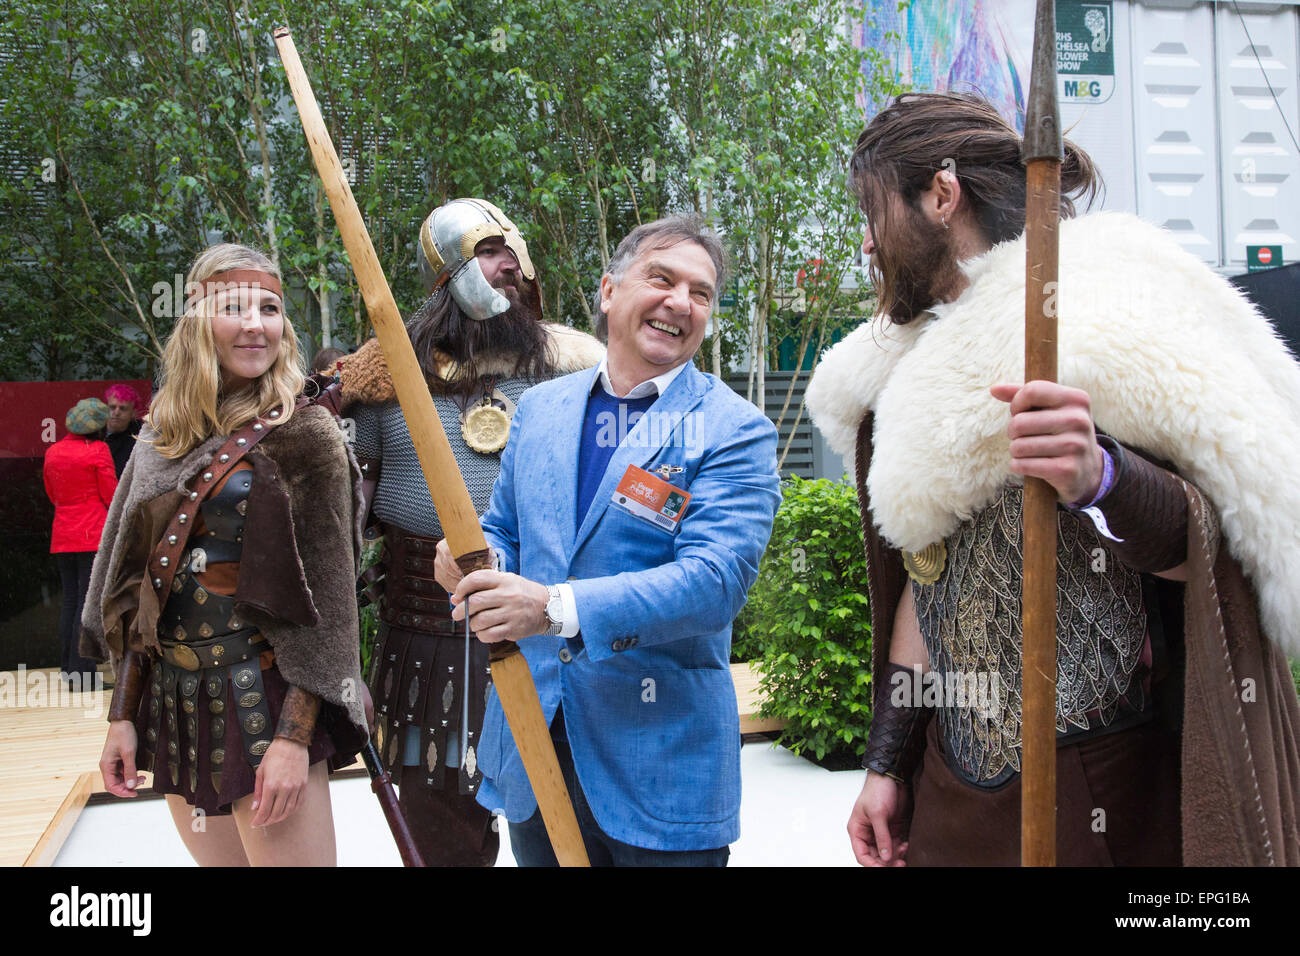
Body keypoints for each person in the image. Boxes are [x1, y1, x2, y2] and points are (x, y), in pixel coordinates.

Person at [805, 91, 1300, 867]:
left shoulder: (1110, 323)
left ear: (940, 195)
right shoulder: (902, 373)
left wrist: (1103, 476)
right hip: (950, 798)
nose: (868, 243)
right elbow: (925, 580)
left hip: (1101, 793)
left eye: (873, 212)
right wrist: (886, 763)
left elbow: (1209, 557)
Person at [433, 214, 781, 866]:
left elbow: (714, 582)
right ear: (609, 292)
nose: (681, 302)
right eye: (662, 278)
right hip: (534, 745)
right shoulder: (541, 409)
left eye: (701, 293)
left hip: (659, 764)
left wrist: (551, 608)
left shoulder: (734, 430)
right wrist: (476, 558)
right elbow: (507, 527)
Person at [333, 198, 602, 866]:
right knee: (442, 836)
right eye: (488, 252)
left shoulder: (574, 369)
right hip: (424, 642)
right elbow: (337, 527)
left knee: (566, 825)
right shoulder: (385, 378)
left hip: (548, 626)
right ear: (447, 275)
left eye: (513, 249)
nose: (510, 264)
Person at [82, 243, 367, 866]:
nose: (254, 324)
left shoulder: (305, 431)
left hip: (263, 699)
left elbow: (330, 603)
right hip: (176, 705)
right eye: (233, 307)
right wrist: (121, 716)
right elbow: (134, 590)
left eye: (269, 308)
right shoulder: (162, 434)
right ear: (195, 322)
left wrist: (293, 740)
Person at [44, 398, 117, 688]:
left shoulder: (53, 451)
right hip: (91, 533)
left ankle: (69, 669)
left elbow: (52, 493)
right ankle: (83, 674)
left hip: (62, 534)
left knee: (70, 601)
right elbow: (111, 495)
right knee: (88, 605)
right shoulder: (98, 450)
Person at [104, 384, 144, 478]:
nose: (116, 412)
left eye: (123, 408)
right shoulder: (92, 433)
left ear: (134, 413)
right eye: (112, 407)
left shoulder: (141, 439)